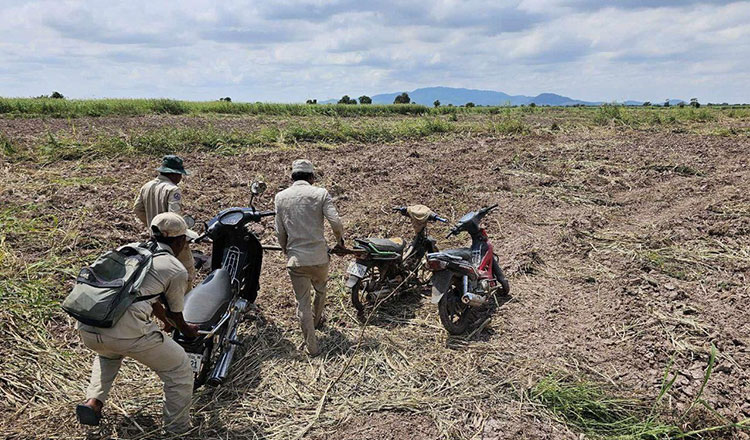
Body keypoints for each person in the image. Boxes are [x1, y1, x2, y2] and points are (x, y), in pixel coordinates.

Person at [75, 213, 199, 433]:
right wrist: (188, 332)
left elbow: (138, 295)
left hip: (90, 325)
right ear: (180, 241)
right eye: (186, 241)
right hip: (128, 334)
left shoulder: (129, 250)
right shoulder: (174, 268)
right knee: (179, 369)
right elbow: (177, 314)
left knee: (108, 353)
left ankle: (93, 402)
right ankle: (176, 430)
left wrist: (163, 320)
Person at [274, 159, 344, 356]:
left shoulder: (281, 197)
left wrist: (285, 250)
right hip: (319, 257)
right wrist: (340, 242)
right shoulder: (320, 193)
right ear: (312, 177)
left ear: (292, 177)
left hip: (296, 260)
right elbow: (335, 222)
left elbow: (280, 231)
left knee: (302, 302)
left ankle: (312, 347)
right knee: (321, 291)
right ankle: (317, 320)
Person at [134, 155, 196, 291]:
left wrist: (153, 226)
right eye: (179, 174)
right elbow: (173, 216)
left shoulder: (147, 186)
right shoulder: (172, 190)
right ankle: (182, 304)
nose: (180, 178)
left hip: (154, 239)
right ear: (173, 174)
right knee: (187, 272)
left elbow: (137, 209)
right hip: (172, 240)